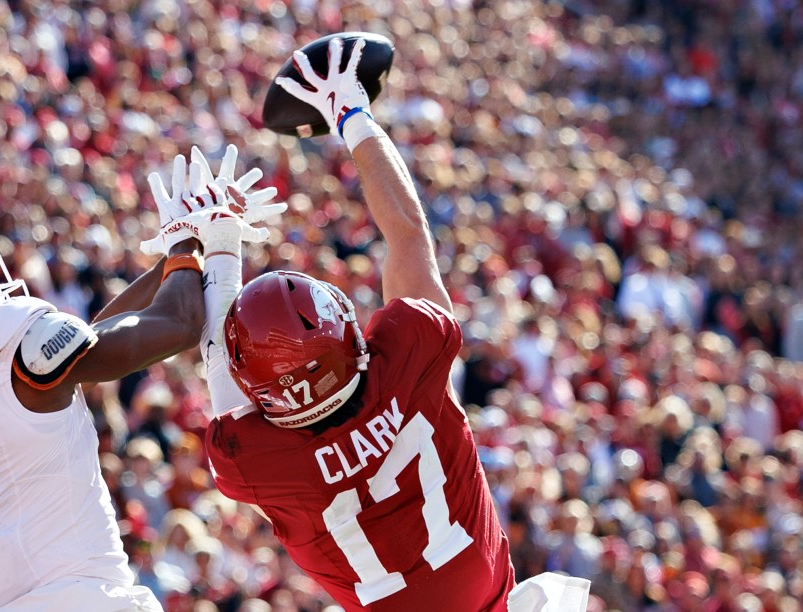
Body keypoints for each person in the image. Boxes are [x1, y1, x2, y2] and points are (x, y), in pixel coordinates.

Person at [197, 38, 587, 611]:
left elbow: (223, 377)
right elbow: (407, 233)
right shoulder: (408, 357)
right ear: (350, 338)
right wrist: (351, 111)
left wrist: (219, 250)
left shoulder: (255, 457)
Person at [0, 151, 270, 610]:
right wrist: (189, 244)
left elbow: (89, 343)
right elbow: (176, 325)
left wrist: (172, 261)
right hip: (80, 596)